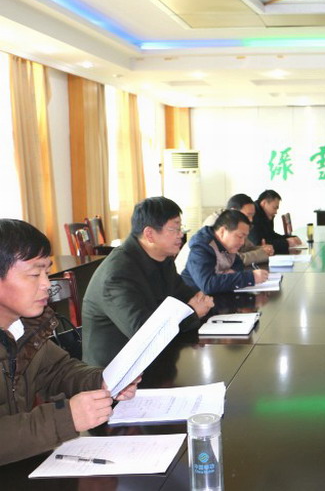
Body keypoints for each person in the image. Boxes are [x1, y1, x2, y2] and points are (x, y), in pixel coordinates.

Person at [0, 219, 139, 465]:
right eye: (34, 274)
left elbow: (57, 370)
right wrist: (66, 418)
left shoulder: (25, 327)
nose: (47, 283)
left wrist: (102, 380)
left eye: (46, 271)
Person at [82, 197, 214, 367]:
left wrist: (199, 299)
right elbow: (143, 334)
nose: (181, 234)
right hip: (116, 372)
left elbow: (182, 293)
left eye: (180, 228)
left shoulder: (162, 257)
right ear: (149, 234)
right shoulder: (117, 275)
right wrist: (192, 313)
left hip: (154, 359)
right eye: (174, 229)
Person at [175, 193, 274, 272]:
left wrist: (262, 249)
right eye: (248, 215)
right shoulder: (217, 224)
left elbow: (245, 247)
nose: (251, 220)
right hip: (189, 279)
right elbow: (231, 259)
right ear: (234, 211)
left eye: (253, 216)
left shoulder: (237, 223)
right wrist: (262, 253)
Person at [181, 209, 269, 294]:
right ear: (222, 231)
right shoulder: (201, 248)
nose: (242, 242)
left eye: (245, 238)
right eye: (240, 236)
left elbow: (238, 264)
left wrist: (230, 274)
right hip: (193, 299)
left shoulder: (226, 246)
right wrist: (250, 278)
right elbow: (208, 285)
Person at [248, 189, 302, 255]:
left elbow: (271, 235)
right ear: (264, 203)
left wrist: (289, 238)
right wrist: (286, 242)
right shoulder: (252, 215)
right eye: (274, 208)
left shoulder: (266, 214)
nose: (276, 212)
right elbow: (258, 244)